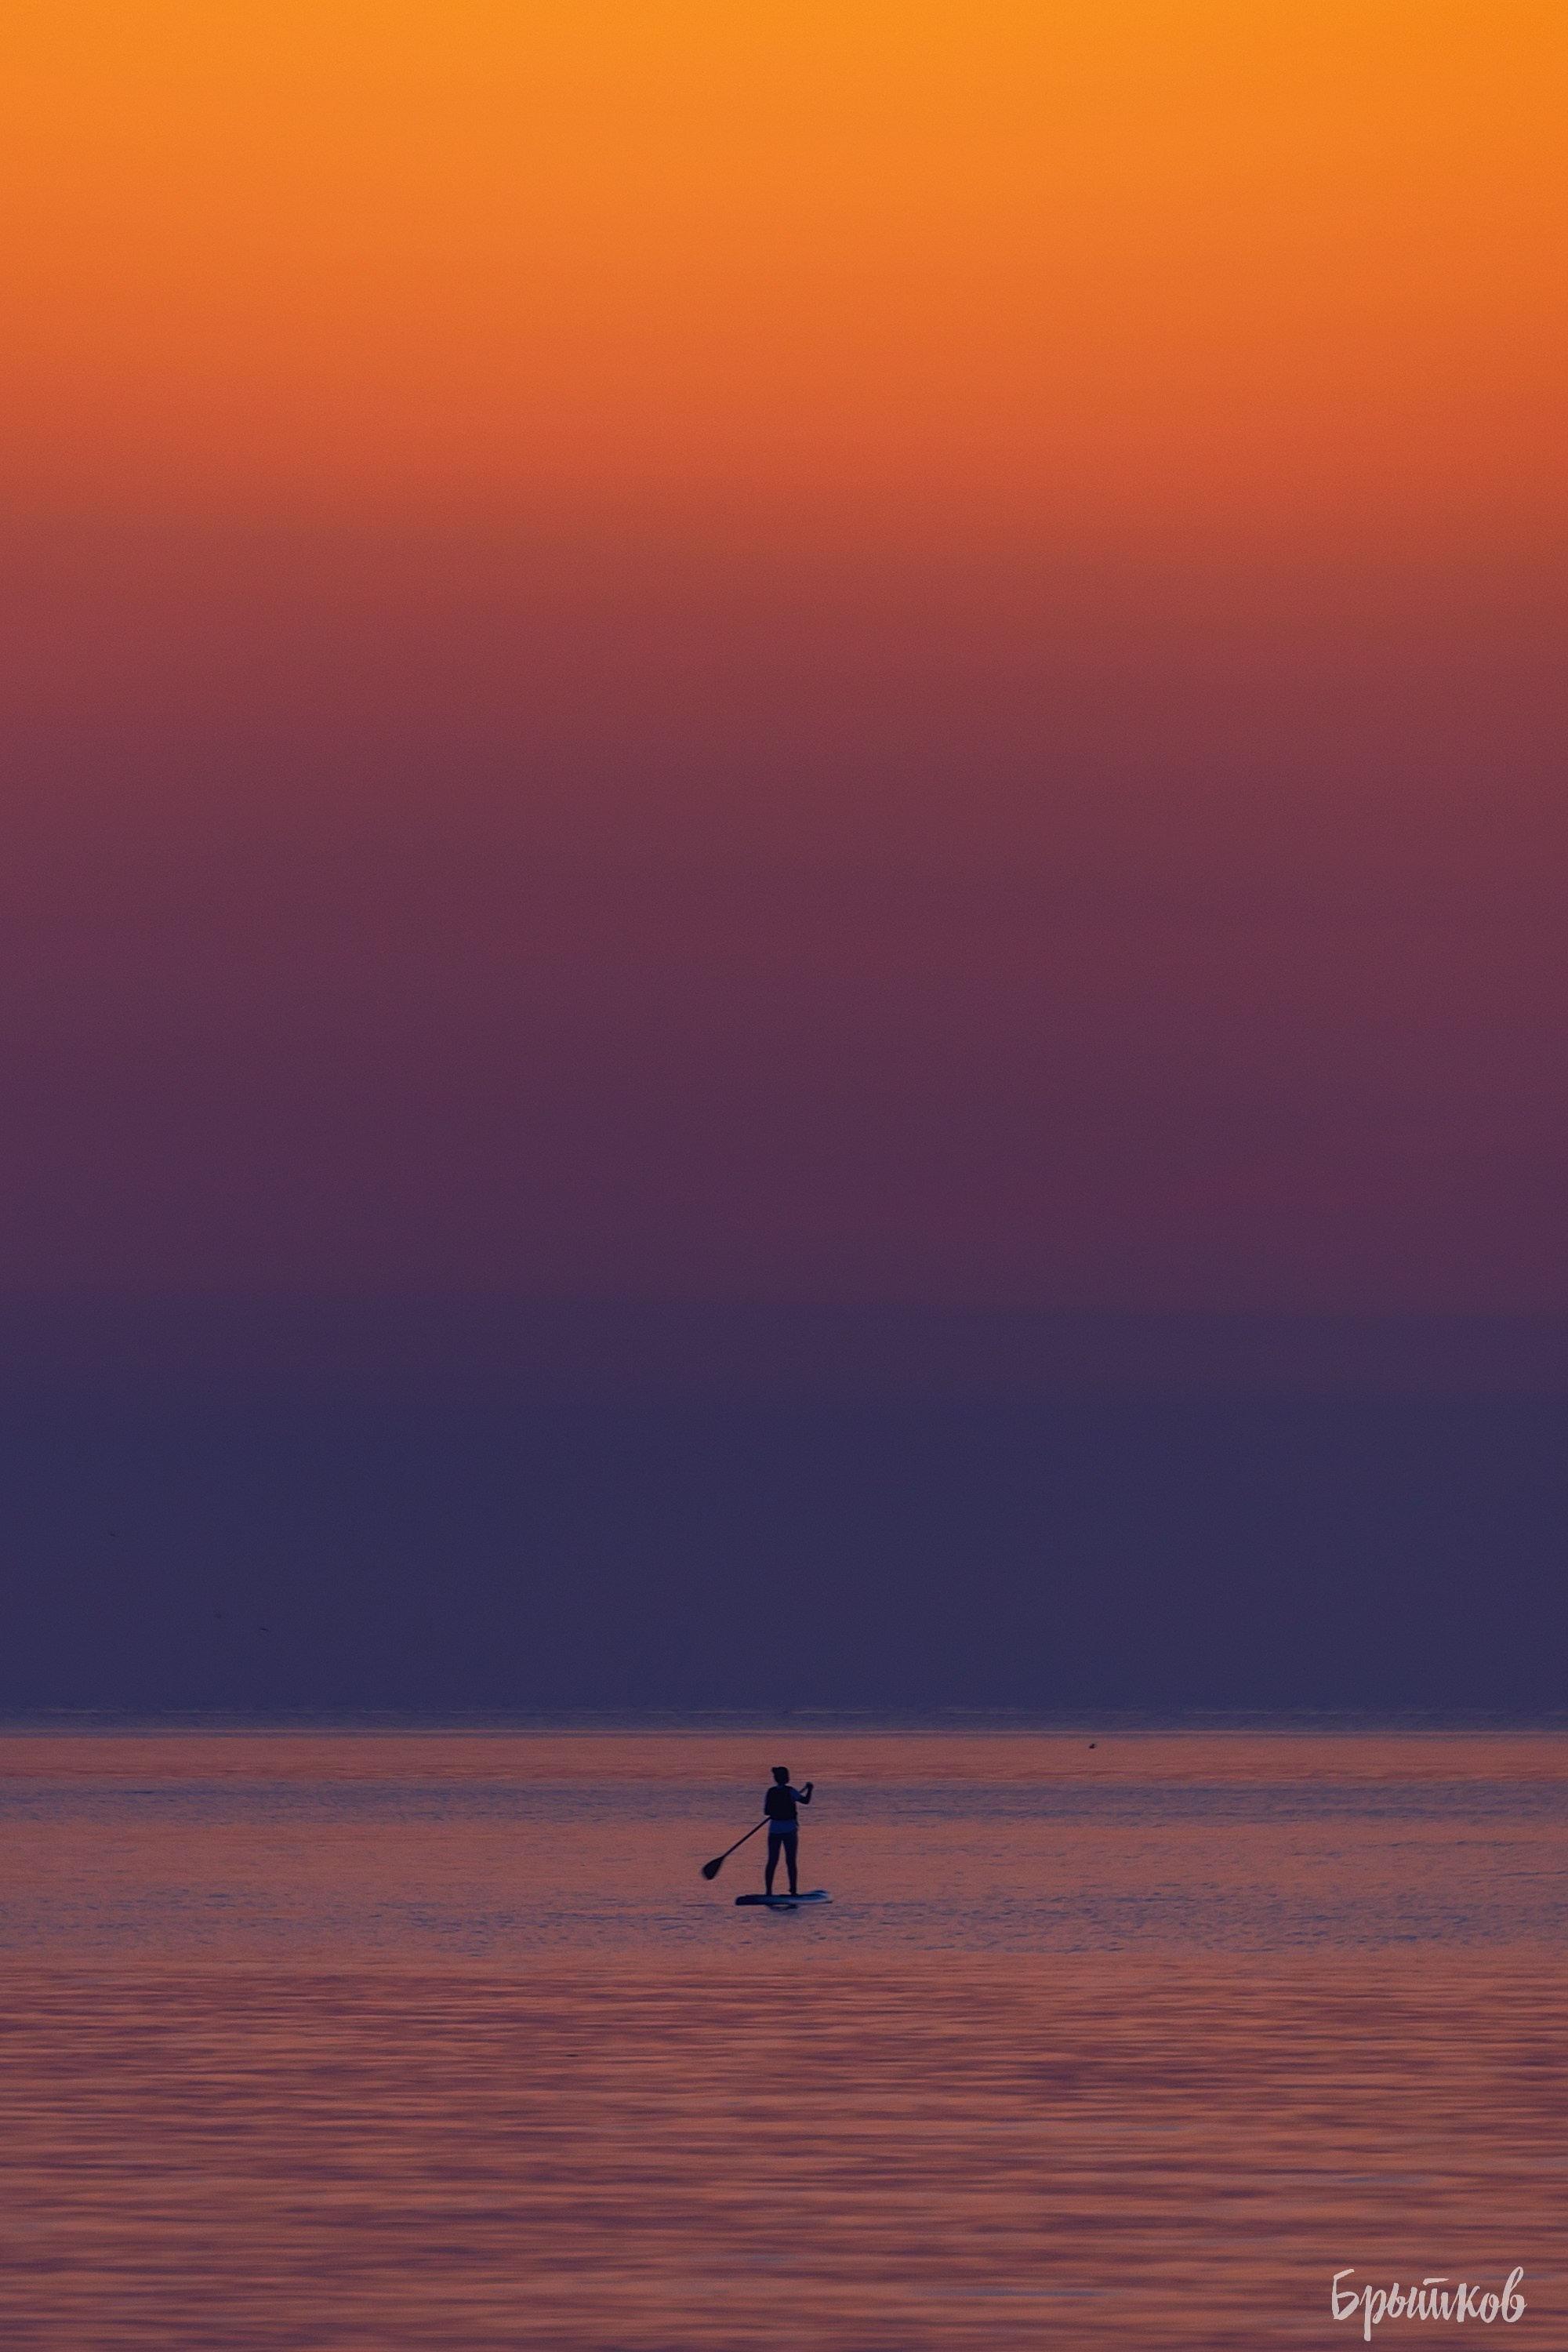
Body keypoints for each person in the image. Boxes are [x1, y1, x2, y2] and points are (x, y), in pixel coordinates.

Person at [762, 1766, 813, 1896]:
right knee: (790, 1861)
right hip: (789, 1830)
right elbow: (806, 1801)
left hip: (774, 1830)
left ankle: (768, 1891)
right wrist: (810, 1789)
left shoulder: (771, 1792)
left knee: (772, 1860)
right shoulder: (791, 1791)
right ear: (786, 1778)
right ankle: (793, 1891)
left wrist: (777, 1810)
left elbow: (766, 1811)